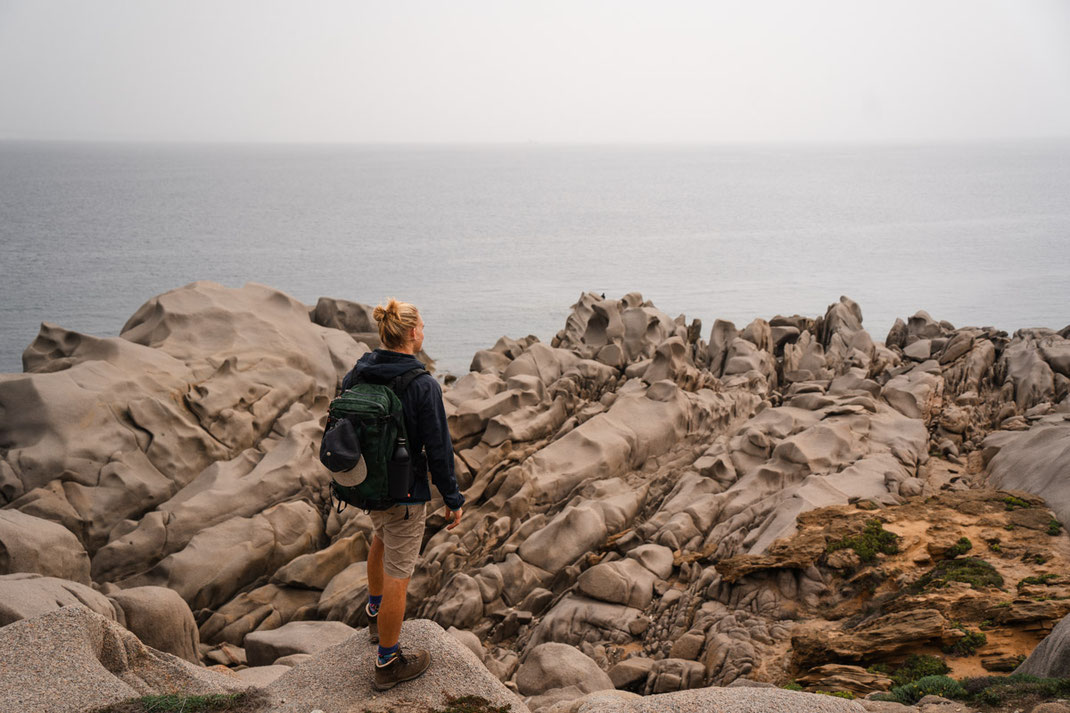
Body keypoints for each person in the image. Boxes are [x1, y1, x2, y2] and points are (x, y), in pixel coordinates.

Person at [340, 298, 465, 691]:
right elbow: (439, 447)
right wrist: (452, 497)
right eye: (422, 326)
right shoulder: (422, 385)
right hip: (406, 493)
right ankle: (388, 661)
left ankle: (375, 613)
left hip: (367, 487)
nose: (424, 331)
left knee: (380, 537)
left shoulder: (358, 373)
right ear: (412, 333)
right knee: (400, 574)